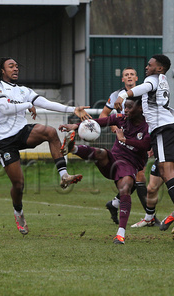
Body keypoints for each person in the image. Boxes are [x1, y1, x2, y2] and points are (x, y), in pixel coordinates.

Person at [0, 57, 89, 236]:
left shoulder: (23, 90)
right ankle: (18, 213)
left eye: (17, 66)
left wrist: (72, 109)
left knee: (50, 132)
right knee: (18, 185)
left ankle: (64, 175)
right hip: (4, 141)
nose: (15, 68)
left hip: (21, 132)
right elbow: (4, 108)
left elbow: (45, 103)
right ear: (2, 70)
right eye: (11, 66)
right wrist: (28, 105)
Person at [114, 54, 174, 240]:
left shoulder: (153, 79)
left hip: (163, 129)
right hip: (170, 129)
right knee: (171, 172)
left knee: (166, 172)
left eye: (150, 65)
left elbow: (145, 87)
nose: (146, 68)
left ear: (159, 68)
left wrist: (123, 94)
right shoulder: (163, 79)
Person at [60, 96, 149, 244]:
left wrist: (124, 140)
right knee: (101, 153)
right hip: (113, 159)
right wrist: (75, 126)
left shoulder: (148, 125)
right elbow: (97, 122)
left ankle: (120, 234)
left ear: (140, 108)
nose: (125, 110)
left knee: (125, 188)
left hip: (130, 164)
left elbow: (146, 145)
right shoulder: (121, 118)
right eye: (125, 107)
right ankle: (73, 148)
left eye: (129, 107)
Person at [98, 67, 149, 224]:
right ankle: (150, 216)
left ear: (136, 78)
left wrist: (150, 142)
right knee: (139, 176)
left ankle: (115, 203)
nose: (129, 77)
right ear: (123, 79)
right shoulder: (115, 96)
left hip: (140, 139)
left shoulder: (143, 94)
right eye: (126, 75)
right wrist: (114, 127)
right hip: (123, 142)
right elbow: (103, 114)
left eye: (132, 74)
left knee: (135, 178)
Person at [135, 108, 174, 229]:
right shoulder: (149, 116)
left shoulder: (165, 115)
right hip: (162, 155)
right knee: (151, 188)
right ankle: (149, 218)